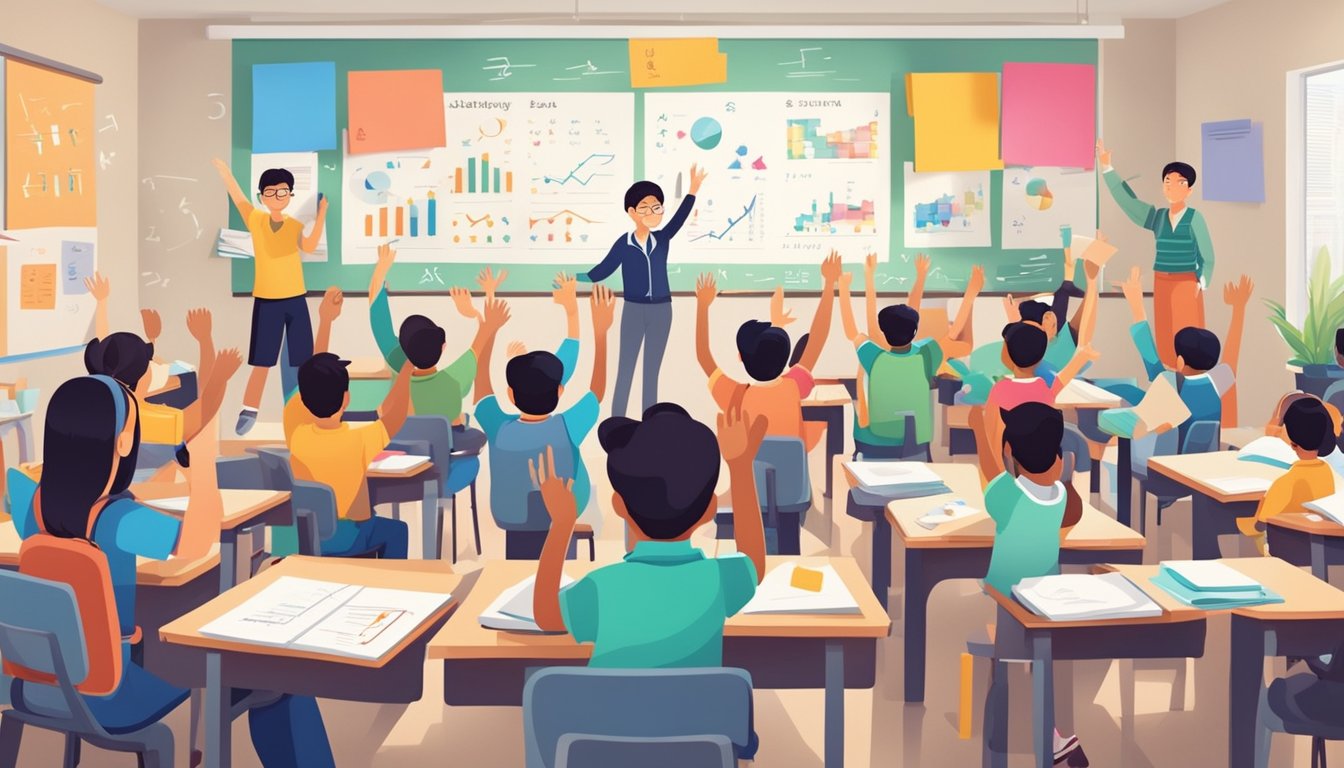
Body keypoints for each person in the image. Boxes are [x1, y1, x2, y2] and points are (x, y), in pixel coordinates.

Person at [7, 373, 335, 767]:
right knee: (274, 674)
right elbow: (198, 540)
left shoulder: (35, 506)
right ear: (124, 441)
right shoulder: (119, 518)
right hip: (111, 688)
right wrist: (202, 464)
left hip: (36, 683)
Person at [532, 404, 768, 759]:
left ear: (618, 505)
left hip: (605, 756)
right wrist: (740, 465)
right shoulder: (719, 580)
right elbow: (754, 562)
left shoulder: (601, 587)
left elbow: (545, 614)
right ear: (709, 510)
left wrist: (562, 523)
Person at [968, 401, 1088, 767]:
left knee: (1006, 654)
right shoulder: (1064, 496)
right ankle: (1049, 734)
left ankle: (1012, 737)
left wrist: (979, 432)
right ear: (1058, 454)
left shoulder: (1007, 495)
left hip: (1009, 606)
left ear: (1010, 452)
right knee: (1040, 660)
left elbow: (991, 477)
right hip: (1046, 605)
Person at [474, 288, 614, 558]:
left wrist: (488, 330)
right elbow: (597, 391)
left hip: (511, 519)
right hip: (562, 514)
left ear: (510, 395)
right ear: (560, 391)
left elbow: (482, 387)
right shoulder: (568, 425)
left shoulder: (498, 428)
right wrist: (601, 333)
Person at [366, 243, 519, 454]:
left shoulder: (396, 365)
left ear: (403, 347)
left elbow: (377, 317)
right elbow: (481, 344)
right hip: (444, 468)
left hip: (403, 460)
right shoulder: (454, 380)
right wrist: (476, 309)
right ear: (443, 347)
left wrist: (381, 268)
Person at [212, 158, 328, 436]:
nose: (278, 197)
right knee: (262, 362)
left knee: (302, 360)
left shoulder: (294, 226)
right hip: (267, 301)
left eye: (283, 191)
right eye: (271, 192)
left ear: (290, 194)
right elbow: (237, 196)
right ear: (262, 196)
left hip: (295, 299)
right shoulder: (256, 219)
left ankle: (308, 410)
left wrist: (321, 215)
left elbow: (310, 247)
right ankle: (249, 409)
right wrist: (226, 173)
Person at [580, 165, 708, 417]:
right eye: (645, 208)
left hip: (662, 310)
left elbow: (679, 219)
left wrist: (692, 190)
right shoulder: (624, 244)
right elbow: (601, 271)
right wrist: (575, 279)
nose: (653, 213)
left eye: (657, 207)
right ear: (632, 212)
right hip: (634, 309)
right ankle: (617, 421)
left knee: (652, 371)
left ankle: (649, 425)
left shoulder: (662, 239)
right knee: (625, 368)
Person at [82, 281, 234, 484]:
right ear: (141, 377)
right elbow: (205, 405)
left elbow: (109, 356)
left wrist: (102, 303)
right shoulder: (156, 421)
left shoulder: (96, 408)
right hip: (153, 497)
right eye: (150, 365)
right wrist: (217, 371)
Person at [694, 252, 840, 450]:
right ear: (785, 355)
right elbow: (817, 338)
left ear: (741, 357)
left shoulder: (735, 396)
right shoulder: (793, 386)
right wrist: (830, 283)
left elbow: (703, 355)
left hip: (751, 480)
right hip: (795, 480)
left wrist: (702, 306)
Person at [835, 256, 978, 457]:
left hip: (874, 447)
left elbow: (851, 330)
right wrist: (971, 291)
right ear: (915, 331)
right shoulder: (926, 354)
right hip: (915, 447)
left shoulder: (873, 356)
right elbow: (953, 333)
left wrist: (849, 285)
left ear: (883, 331)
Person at [1097, 141, 1215, 370]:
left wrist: (1201, 281)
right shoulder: (1157, 217)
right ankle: (1168, 378)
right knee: (1165, 335)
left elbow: (1207, 255)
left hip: (1186, 281)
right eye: (1167, 182)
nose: (1172, 187)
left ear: (1189, 189)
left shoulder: (1194, 218)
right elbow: (1129, 203)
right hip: (1161, 279)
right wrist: (1108, 169)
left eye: (1179, 183)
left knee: (1189, 338)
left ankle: (1190, 382)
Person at [287, 349, 414, 559]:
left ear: (304, 399)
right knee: (397, 531)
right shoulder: (360, 439)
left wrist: (312, 380)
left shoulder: (295, 435)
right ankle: (391, 584)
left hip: (308, 536)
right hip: (350, 538)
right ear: (346, 398)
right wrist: (407, 370)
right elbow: (397, 416)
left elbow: (296, 402)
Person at [1238, 396, 1339, 555]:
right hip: (1319, 547)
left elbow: (1261, 524)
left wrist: (1258, 511)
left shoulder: (1285, 482)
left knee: (1243, 532)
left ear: (1292, 439)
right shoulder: (1328, 473)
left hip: (1285, 549)